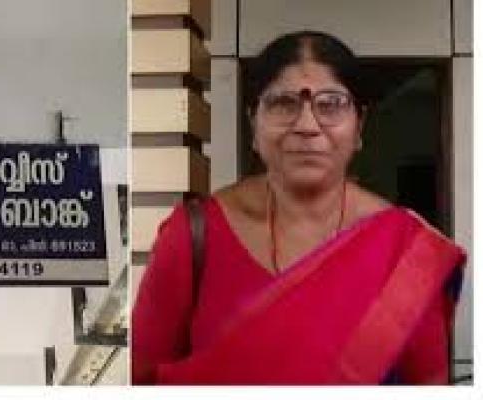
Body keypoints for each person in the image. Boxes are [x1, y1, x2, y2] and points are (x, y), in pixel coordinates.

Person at [131, 30, 466, 385]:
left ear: (359, 126)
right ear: (253, 123)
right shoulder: (192, 237)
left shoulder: (405, 253)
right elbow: (140, 378)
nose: (307, 126)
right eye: (283, 103)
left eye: (331, 104)